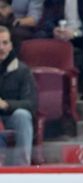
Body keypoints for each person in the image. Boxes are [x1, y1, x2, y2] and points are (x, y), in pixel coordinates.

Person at [0, 25, 35, 166]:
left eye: (4, 43)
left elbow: (30, 103)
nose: (1, 47)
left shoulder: (22, 71)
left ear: (10, 46)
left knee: (23, 115)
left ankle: (23, 167)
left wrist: (6, 104)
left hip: (10, 116)